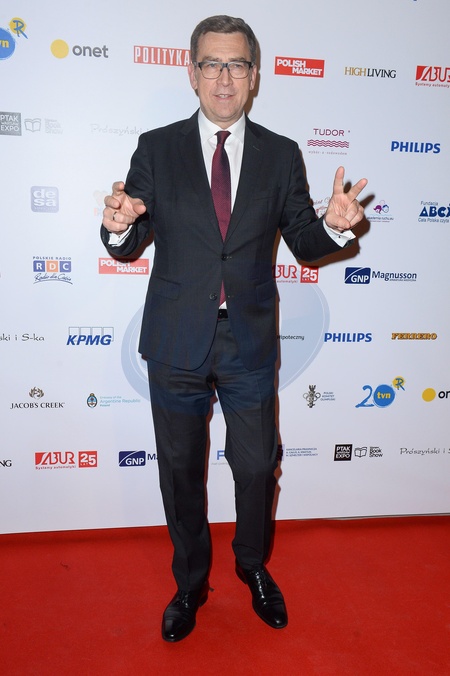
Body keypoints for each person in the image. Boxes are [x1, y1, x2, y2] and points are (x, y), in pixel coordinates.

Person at [101, 15, 367, 642]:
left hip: (247, 340)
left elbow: (302, 240)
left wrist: (334, 227)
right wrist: (119, 224)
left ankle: (251, 566)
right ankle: (190, 583)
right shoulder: (156, 147)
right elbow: (130, 235)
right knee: (180, 470)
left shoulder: (281, 153)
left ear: (254, 75)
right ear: (192, 73)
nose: (224, 78)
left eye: (237, 64)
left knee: (254, 467)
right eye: (212, 64)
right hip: (176, 341)